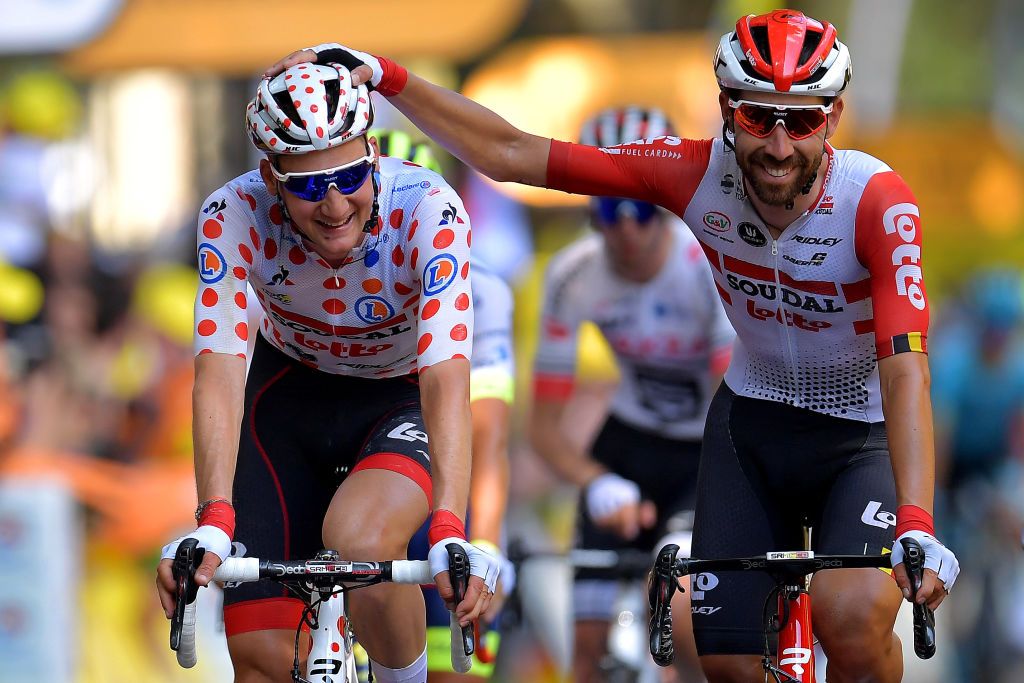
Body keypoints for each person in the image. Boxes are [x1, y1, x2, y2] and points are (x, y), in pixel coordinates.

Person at [266, 9, 961, 682]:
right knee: (718, 655)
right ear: (724, 109)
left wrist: (918, 519)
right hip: (752, 423)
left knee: (850, 622)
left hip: (858, 433)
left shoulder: (876, 201)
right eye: (756, 116)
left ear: (833, 118)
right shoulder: (692, 172)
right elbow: (511, 153)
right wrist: (386, 76)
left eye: (802, 120)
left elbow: (905, 369)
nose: (779, 146)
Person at [154, 63, 499, 683]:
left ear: (372, 153)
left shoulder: (428, 209)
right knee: (262, 661)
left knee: (362, 542)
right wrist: (213, 519)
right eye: (309, 187)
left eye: (349, 176)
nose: (335, 205)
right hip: (284, 399)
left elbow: (446, 375)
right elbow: (220, 371)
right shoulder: (231, 213)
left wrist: (449, 522)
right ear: (270, 179)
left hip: (398, 399)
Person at [530, 106, 732, 682]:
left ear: (665, 206)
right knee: (588, 655)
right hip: (626, 446)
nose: (625, 228)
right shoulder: (572, 276)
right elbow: (544, 429)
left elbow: (731, 400)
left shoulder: (707, 264)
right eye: (606, 209)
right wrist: (597, 482)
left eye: (641, 208)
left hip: (707, 449)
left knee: (682, 614)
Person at [374, 129, 517, 681]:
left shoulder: (481, 288)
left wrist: (486, 541)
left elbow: (487, 434)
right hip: (368, 480)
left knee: (450, 670)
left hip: (443, 493)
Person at [929, 269, 1024, 682]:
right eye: (992, 330)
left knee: (1009, 533)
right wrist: (937, 502)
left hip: (996, 466)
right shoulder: (955, 360)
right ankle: (961, 663)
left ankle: (1007, 640)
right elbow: (941, 436)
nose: (998, 342)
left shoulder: (1017, 366)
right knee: (959, 567)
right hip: (957, 470)